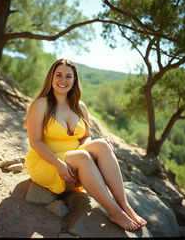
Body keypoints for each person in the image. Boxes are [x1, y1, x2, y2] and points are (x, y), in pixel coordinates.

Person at [24, 59, 147, 231]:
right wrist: (57, 163)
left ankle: (125, 206)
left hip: (74, 159)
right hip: (46, 162)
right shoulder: (40, 104)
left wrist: (95, 144)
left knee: (101, 145)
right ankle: (114, 211)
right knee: (83, 156)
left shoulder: (80, 106)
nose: (63, 80)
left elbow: (85, 137)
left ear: (74, 80)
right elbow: (34, 141)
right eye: (58, 75)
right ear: (51, 77)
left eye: (68, 76)